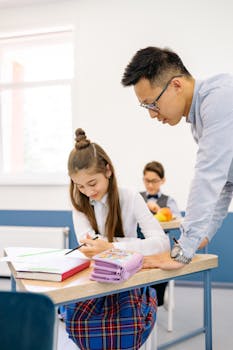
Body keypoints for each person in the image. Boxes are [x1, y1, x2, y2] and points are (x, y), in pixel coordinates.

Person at [121, 46, 233, 269]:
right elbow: (226, 183)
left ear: (176, 85)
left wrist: (184, 249)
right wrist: (203, 234)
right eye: (146, 107)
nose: (152, 114)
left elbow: (208, 177)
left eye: (152, 103)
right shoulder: (198, 121)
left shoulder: (219, 97)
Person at [64, 128, 170, 350]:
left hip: (127, 282)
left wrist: (110, 246)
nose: (87, 191)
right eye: (80, 186)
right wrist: (112, 246)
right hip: (95, 282)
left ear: (108, 171)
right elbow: (88, 245)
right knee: (78, 323)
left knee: (127, 327)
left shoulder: (130, 197)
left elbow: (161, 243)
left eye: (92, 183)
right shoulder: (80, 203)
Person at [138, 160, 181, 305]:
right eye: (147, 180)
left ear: (162, 180)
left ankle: (155, 301)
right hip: (138, 247)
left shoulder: (169, 201)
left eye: (154, 181)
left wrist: (160, 211)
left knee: (157, 284)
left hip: (160, 249)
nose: (150, 185)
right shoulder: (136, 198)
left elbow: (178, 221)